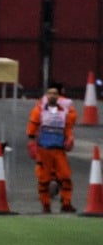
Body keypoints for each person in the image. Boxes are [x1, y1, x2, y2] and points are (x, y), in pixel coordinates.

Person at [28, 80, 80, 213]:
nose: (52, 96)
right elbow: (33, 125)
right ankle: (46, 205)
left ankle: (66, 203)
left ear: (58, 96)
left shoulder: (64, 112)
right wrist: (31, 142)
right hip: (44, 150)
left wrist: (69, 139)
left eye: (54, 93)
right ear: (46, 95)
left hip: (59, 150)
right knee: (43, 179)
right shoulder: (39, 110)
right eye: (50, 93)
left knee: (66, 177)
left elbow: (68, 127)